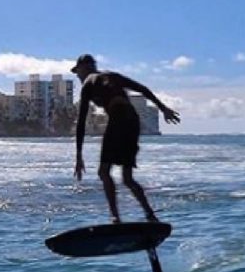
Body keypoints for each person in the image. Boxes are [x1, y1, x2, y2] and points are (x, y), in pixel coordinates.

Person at [71, 54, 180, 224]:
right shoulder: (113, 76)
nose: (78, 76)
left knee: (104, 172)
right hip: (132, 121)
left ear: (84, 68)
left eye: (77, 72)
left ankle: (115, 218)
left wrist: (78, 155)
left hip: (118, 119)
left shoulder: (88, 83)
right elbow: (143, 89)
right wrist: (163, 108)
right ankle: (150, 216)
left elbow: (81, 122)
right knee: (127, 178)